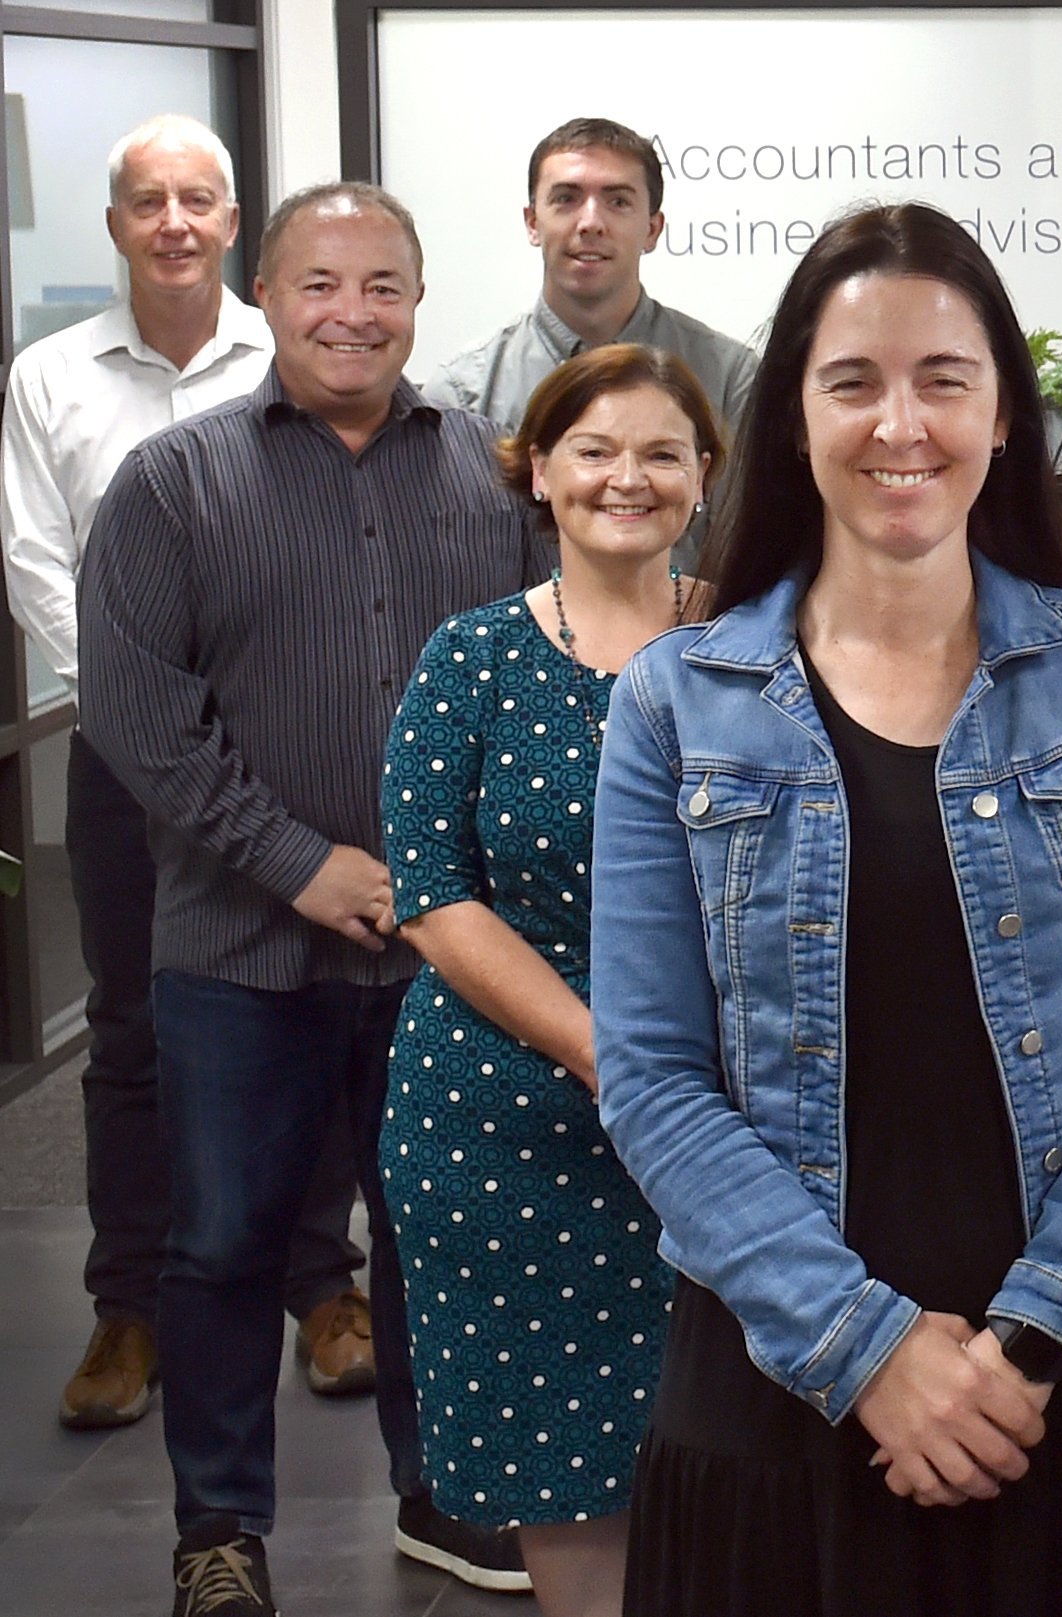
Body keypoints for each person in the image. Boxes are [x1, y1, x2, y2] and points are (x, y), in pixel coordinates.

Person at [590, 202, 1062, 1617]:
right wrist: (869, 1353)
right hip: (778, 1379)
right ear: (792, 416)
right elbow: (650, 1079)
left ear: (1001, 414)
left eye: (944, 378)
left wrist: (1029, 1344)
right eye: (852, 381)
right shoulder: (673, 704)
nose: (901, 424)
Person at [77, 180, 544, 1617]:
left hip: (446, 954)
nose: (353, 314)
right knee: (221, 1244)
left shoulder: (494, 476)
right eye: (320, 284)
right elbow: (141, 720)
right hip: (236, 951)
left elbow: (537, 681)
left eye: (382, 285)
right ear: (265, 298)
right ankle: (218, 1529)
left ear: (419, 300)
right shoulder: (172, 484)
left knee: (434, 1234)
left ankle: (446, 1494)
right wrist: (302, 863)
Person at [1, 113, 378, 1434]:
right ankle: (132, 1304)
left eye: (197, 200)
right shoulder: (50, 376)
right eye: (148, 200)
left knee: (313, 997)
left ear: (233, 225)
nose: (173, 223)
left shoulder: (292, 357)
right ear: (115, 223)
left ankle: (321, 1288)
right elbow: (35, 559)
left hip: (282, 753)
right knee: (130, 1026)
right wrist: (140, 701)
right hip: (124, 758)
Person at [379, 343, 720, 1617]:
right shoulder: (467, 659)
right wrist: (606, 1056)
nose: (626, 477)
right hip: (505, 1128)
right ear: (537, 473)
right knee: (563, 1472)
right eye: (594, 450)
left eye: (660, 452)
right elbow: (431, 894)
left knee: (743, 1452)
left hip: (740, 1122)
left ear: (704, 475)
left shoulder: (765, 641)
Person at [427, 118, 756, 434]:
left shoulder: (731, 380)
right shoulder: (461, 395)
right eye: (566, 199)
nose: (591, 223)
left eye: (618, 202)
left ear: (652, 229)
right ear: (532, 223)